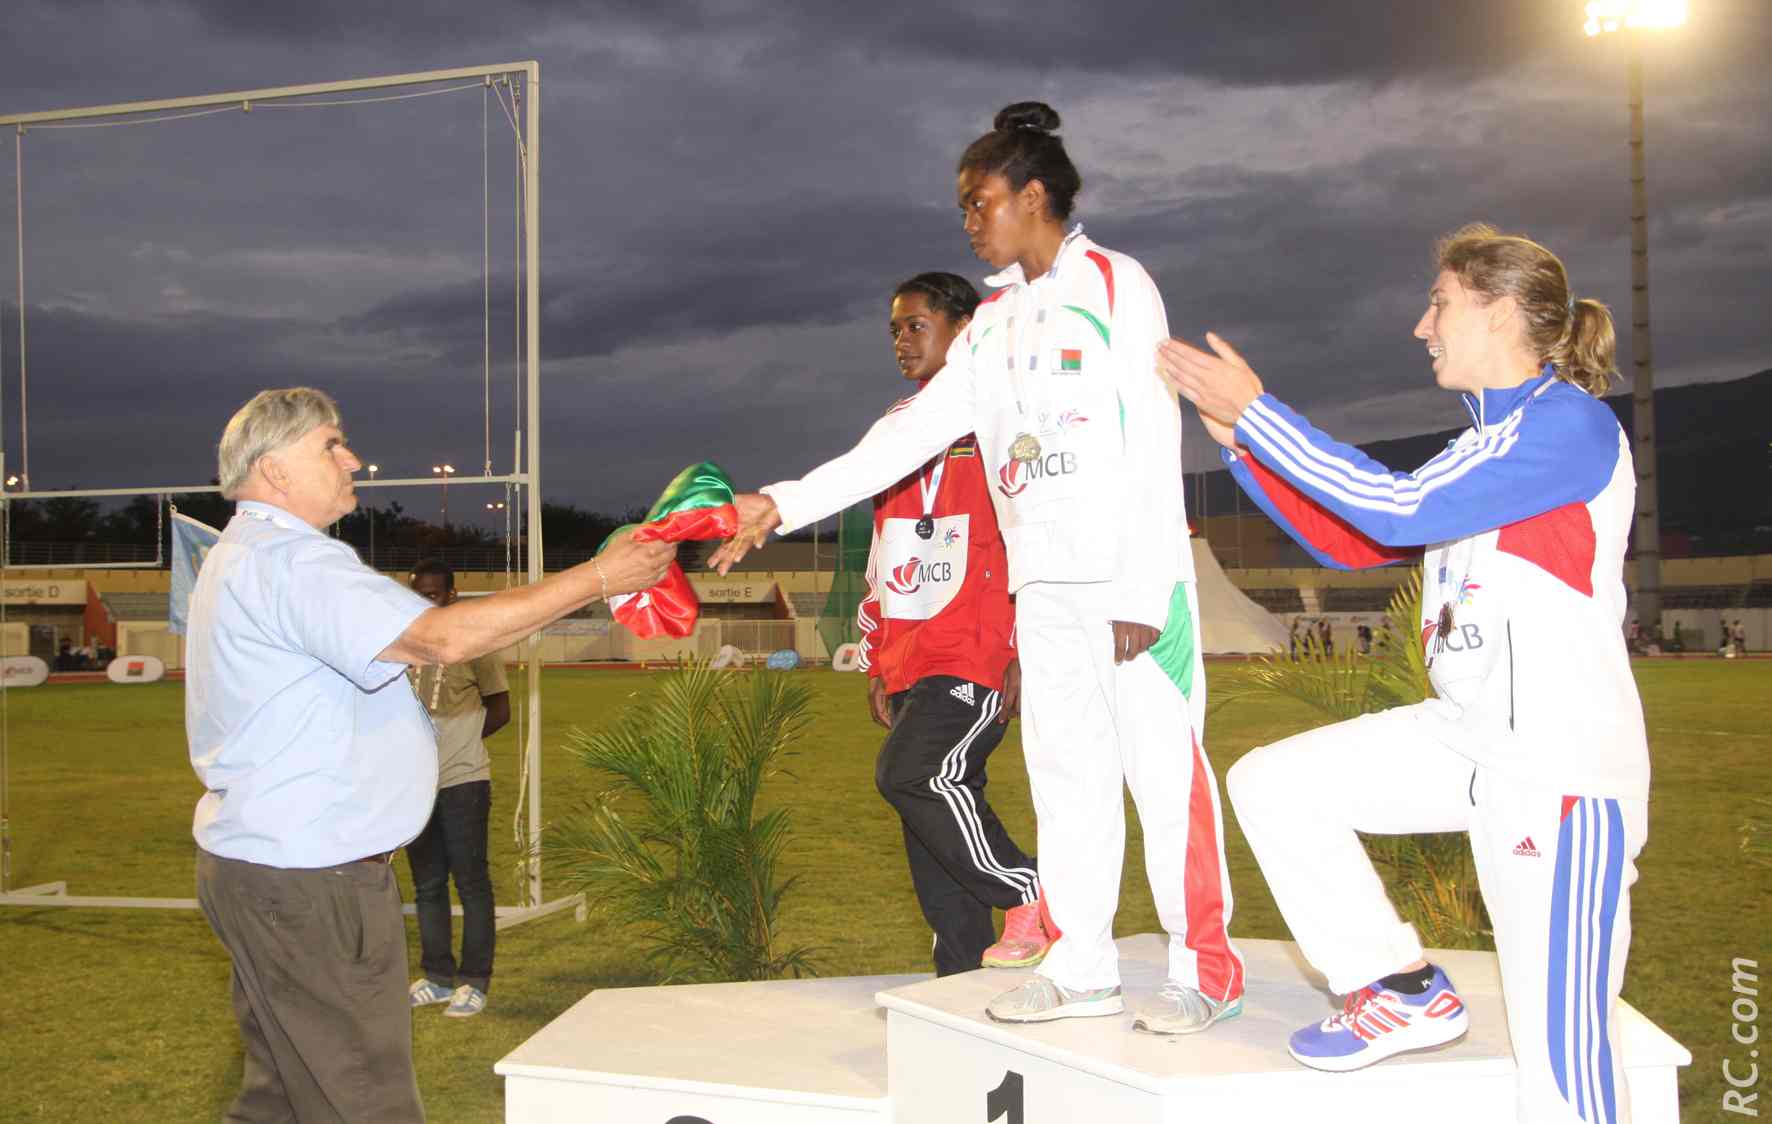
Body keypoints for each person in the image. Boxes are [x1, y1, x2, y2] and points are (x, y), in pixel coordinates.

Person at [713, 102, 1244, 1033]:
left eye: (979, 201)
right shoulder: (992, 323)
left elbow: (1151, 436)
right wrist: (782, 501)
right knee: (1064, 779)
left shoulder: (1118, 284)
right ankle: (1083, 967)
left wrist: (1136, 586)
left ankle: (1208, 971)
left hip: (1132, 584)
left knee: (1164, 774)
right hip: (1039, 588)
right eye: (963, 204)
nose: (968, 221)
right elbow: (908, 434)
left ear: (1032, 197)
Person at [1158, 224, 1649, 1123]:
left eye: (1441, 304)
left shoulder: (1569, 426)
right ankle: (1402, 986)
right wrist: (1241, 445)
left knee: (1564, 1073)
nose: (1423, 327)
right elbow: (1357, 536)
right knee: (1275, 782)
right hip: (1468, 741)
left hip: (1558, 773)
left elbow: (1394, 507)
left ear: (1500, 313)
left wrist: (1264, 413)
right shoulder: (1481, 444)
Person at [186, 387, 674, 1123]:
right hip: (310, 882)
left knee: (282, 1100)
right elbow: (443, 639)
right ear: (276, 469)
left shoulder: (250, 554)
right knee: (364, 1100)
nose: (353, 459)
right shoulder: (292, 562)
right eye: (331, 444)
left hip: (269, 869)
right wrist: (600, 579)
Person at [860, 271, 1053, 977]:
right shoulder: (896, 429)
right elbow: (886, 555)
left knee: (913, 776)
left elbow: (1036, 533)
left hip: (975, 652)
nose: (901, 342)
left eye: (916, 325)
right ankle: (962, 979)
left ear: (965, 330)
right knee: (930, 831)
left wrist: (1023, 647)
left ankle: (1031, 889)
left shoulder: (1008, 419)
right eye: (894, 330)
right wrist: (881, 662)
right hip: (912, 657)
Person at [404, 559, 510, 1018]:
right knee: (427, 885)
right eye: (419, 592)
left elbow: (501, 709)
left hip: (464, 780)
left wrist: (458, 742)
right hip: (414, 785)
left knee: (471, 883)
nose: (426, 600)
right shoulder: (406, 646)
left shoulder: (475, 646)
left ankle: (475, 981)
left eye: (434, 593)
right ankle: (438, 977)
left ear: (451, 594)